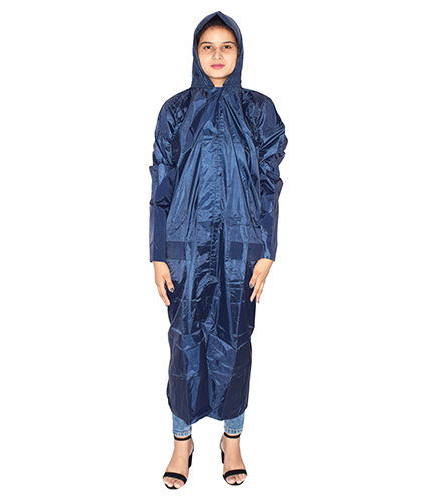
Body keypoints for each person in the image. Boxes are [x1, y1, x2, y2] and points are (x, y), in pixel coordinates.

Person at [148, 11, 288, 488]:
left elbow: (270, 184)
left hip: (240, 246)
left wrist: (267, 249)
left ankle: (232, 439)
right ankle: (181, 441)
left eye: (226, 46)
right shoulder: (175, 110)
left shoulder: (258, 110)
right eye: (207, 46)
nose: (217, 55)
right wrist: (158, 252)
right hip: (184, 244)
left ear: (239, 52)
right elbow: (161, 182)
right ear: (195, 52)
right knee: (184, 343)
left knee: (235, 340)